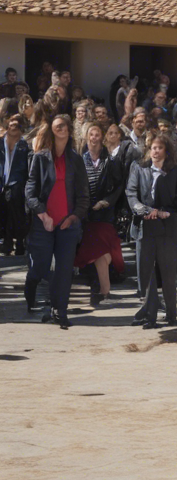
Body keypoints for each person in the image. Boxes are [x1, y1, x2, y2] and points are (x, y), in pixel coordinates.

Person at [24, 115, 89, 327]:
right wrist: (42, 215)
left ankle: (59, 310)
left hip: (67, 224)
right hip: (44, 223)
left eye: (63, 126)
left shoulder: (76, 160)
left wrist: (73, 217)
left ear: (69, 130)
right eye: (56, 127)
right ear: (51, 132)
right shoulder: (40, 158)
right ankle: (31, 283)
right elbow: (30, 191)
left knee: (63, 270)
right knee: (42, 267)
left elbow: (83, 197)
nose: (60, 129)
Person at [126, 133, 177, 329]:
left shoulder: (176, 171)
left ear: (166, 151)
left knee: (168, 272)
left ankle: (171, 313)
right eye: (153, 147)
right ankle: (150, 315)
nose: (155, 151)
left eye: (160, 148)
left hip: (167, 226)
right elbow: (131, 194)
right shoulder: (138, 167)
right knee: (147, 272)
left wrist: (166, 212)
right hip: (144, 225)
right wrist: (147, 210)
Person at [75, 122, 126, 306]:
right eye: (91, 134)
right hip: (86, 213)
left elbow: (120, 185)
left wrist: (107, 201)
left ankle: (102, 290)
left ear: (101, 138)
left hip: (104, 214)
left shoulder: (110, 161)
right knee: (97, 254)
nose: (94, 138)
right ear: (86, 137)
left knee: (102, 252)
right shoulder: (80, 159)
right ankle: (102, 290)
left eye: (97, 135)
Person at [1, 113, 31, 256]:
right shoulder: (1, 143)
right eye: (11, 124)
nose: (13, 127)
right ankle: (6, 244)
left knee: (17, 215)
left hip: (18, 184)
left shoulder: (24, 145)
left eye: (16, 125)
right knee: (4, 214)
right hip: (2, 183)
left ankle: (19, 244)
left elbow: (27, 166)